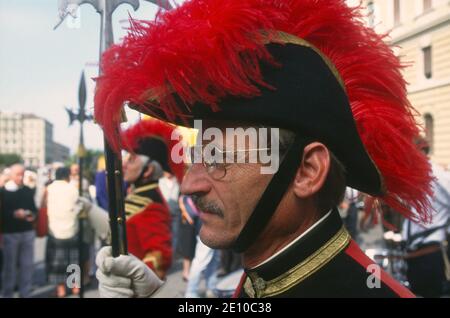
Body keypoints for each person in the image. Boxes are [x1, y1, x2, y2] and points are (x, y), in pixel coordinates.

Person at [94, 0, 434, 297]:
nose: (190, 184)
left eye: (220, 158)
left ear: (308, 171)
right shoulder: (266, 275)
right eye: (199, 156)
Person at [95, 118, 185, 296]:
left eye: (132, 159)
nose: (125, 164)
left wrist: (136, 285)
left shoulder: (152, 205)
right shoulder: (137, 194)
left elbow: (160, 258)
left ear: (148, 170)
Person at [402, 139, 450, 298]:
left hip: (431, 253)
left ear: (422, 152)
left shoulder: (437, 174)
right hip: (414, 253)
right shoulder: (415, 177)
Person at [45, 167, 82, 297]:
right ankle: (75, 287)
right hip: (71, 228)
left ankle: (60, 290)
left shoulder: (49, 189)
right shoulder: (72, 188)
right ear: (67, 176)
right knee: (73, 260)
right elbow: (79, 206)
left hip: (54, 230)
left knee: (57, 262)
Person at [0, 164, 37, 298]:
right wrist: (14, 214)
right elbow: (2, 213)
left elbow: (34, 209)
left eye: (22, 174)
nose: (20, 177)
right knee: (9, 267)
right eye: (17, 174)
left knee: (27, 265)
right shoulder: (3, 191)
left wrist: (31, 215)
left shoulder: (27, 190)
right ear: (10, 175)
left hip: (27, 231)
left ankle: (25, 292)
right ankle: (7, 293)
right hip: (10, 233)